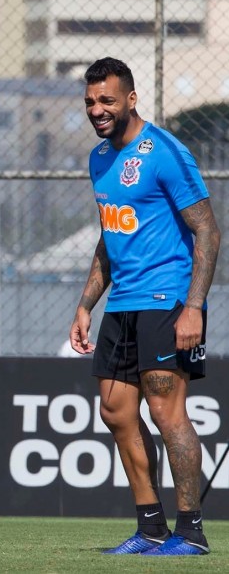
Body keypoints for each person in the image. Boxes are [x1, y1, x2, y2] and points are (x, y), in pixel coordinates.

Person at [69, 57, 220, 556]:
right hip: (122, 306)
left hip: (166, 302)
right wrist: (87, 303)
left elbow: (207, 230)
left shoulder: (164, 153)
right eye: (91, 101)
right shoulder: (99, 158)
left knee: (166, 411)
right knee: (115, 411)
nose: (98, 109)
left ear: (131, 99)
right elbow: (110, 235)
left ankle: (191, 531)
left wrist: (194, 307)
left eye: (107, 100)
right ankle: (150, 526)